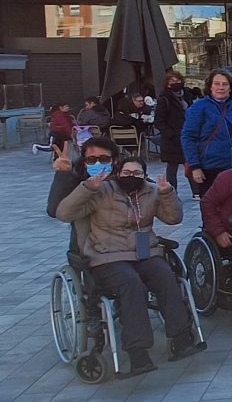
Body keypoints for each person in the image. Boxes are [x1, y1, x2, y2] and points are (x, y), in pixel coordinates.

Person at [55, 155, 202, 375]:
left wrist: (166, 194)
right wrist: (87, 188)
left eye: (137, 173)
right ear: (118, 173)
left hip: (145, 252)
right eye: (126, 172)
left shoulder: (151, 191)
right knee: (131, 283)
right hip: (108, 256)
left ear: (144, 175)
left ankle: (181, 337)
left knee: (165, 275)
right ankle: (138, 351)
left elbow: (174, 219)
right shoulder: (101, 190)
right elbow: (63, 213)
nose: (131, 177)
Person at [181, 69, 232, 198]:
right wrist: (195, 166)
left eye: (225, 84)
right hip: (211, 168)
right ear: (210, 86)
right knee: (213, 209)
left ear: (231, 87)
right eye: (216, 84)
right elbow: (188, 137)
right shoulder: (199, 107)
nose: (220, 87)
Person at [155, 71, 195, 196]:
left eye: (178, 81)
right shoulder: (164, 99)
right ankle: (172, 192)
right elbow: (159, 120)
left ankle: (196, 191)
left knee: (191, 164)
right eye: (172, 82)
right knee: (172, 167)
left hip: (188, 135)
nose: (175, 84)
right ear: (167, 84)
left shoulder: (187, 95)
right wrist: (169, 133)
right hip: (172, 138)